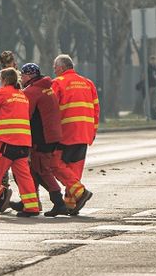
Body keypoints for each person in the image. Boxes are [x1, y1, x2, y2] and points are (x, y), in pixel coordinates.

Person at [0, 67, 39, 217]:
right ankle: (32, 206)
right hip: (23, 143)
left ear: (3, 80)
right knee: (24, 176)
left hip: (6, 142)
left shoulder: (2, 92)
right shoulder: (22, 95)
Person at [16, 63, 70, 216]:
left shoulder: (32, 91)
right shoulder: (47, 88)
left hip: (41, 137)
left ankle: (58, 203)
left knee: (42, 170)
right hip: (51, 135)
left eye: (23, 75)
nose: (21, 77)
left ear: (30, 76)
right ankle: (28, 201)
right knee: (34, 170)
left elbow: (25, 114)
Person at [51, 54, 97, 213]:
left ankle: (81, 193)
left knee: (55, 165)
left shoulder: (58, 83)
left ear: (62, 68)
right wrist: (93, 131)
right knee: (74, 169)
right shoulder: (87, 83)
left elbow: (52, 110)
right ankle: (72, 204)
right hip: (84, 132)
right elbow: (96, 109)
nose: (53, 70)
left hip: (66, 132)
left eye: (55, 67)